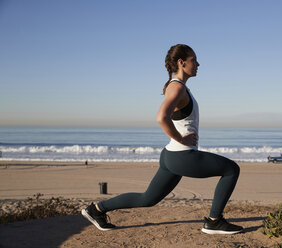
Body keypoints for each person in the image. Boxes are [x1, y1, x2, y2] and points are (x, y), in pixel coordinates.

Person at [82, 44, 243, 235]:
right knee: (231, 169)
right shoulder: (177, 88)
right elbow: (161, 117)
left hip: (171, 156)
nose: (198, 64)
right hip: (182, 156)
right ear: (181, 63)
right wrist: (180, 139)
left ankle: (96, 209)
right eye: (194, 60)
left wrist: (178, 140)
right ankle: (214, 221)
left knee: (147, 199)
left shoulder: (177, 86)